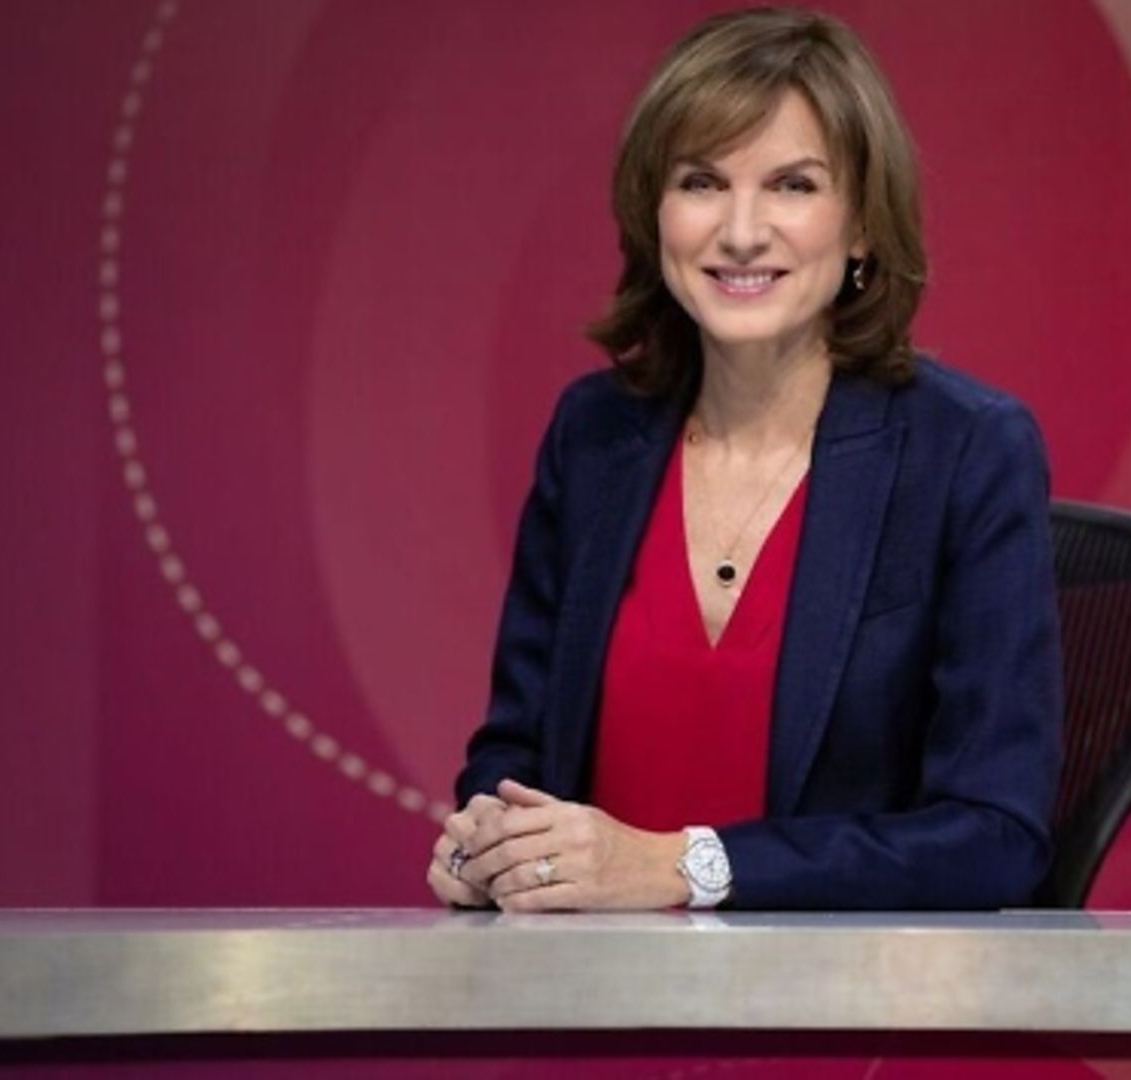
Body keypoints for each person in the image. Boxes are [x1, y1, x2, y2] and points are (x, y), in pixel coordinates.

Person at [427, 7, 1062, 911]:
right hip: (590, 1008)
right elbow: (516, 750)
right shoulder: (595, 435)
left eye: (793, 186)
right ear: (657, 215)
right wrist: (493, 836)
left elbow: (995, 836)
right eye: (702, 182)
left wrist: (682, 869)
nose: (740, 231)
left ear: (863, 227)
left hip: (846, 1022)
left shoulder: (965, 451)